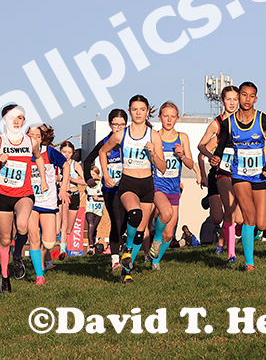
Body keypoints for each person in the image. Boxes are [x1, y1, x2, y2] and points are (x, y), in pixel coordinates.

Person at [0, 104, 47, 293]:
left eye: (20, 118)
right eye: (12, 117)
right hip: (2, 195)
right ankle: (5, 277)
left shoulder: (30, 142)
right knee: (5, 239)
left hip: (24, 193)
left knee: (23, 224)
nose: (16, 121)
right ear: (4, 121)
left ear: (24, 121)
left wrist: (43, 179)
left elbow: (39, 157)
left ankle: (17, 254)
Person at [213, 82, 266, 270]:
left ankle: (245, 241)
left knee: (262, 223)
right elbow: (220, 147)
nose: (247, 99)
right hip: (239, 175)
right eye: (244, 95)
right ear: (239, 97)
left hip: (260, 175)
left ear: (256, 99)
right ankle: (249, 263)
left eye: (251, 96)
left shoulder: (264, 120)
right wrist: (216, 157)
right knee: (248, 215)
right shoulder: (229, 123)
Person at [99, 95, 166, 283]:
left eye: (142, 109)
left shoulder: (154, 136)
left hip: (147, 185)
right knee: (134, 214)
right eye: (135, 109)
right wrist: (106, 174)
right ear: (130, 111)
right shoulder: (121, 135)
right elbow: (102, 152)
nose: (138, 113)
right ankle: (127, 251)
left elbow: (162, 167)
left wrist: (153, 153)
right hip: (128, 183)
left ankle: (126, 271)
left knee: (140, 232)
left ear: (147, 112)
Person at [198, 86, 242, 261]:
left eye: (235, 99)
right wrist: (209, 160)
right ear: (222, 101)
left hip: (236, 173)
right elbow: (201, 147)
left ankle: (228, 249)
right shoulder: (216, 124)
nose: (232, 103)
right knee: (217, 218)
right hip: (217, 173)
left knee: (235, 215)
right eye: (228, 99)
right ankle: (223, 240)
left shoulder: (243, 121)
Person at [149, 101, 194, 269]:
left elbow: (190, 164)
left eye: (172, 117)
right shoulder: (154, 136)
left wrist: (182, 155)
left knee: (170, 232)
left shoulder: (182, 137)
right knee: (162, 213)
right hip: (156, 184)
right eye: (165, 116)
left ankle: (155, 260)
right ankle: (155, 234)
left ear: (177, 118)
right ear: (159, 117)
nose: (169, 120)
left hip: (174, 187)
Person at [82, 109, 128, 271]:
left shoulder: (129, 140)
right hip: (110, 189)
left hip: (128, 187)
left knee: (125, 222)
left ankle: (122, 245)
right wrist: (88, 179)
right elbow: (87, 160)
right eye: (115, 124)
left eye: (122, 125)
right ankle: (115, 259)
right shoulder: (105, 142)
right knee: (116, 221)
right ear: (110, 124)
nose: (118, 128)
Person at [24, 124, 70, 285]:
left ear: (42, 138)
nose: (34, 138)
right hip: (28, 200)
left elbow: (65, 165)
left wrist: (63, 187)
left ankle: (41, 261)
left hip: (48, 200)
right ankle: (39, 275)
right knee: (33, 236)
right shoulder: (23, 153)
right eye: (30, 135)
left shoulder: (49, 152)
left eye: (37, 135)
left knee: (49, 241)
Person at [58, 140, 85, 259]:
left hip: (74, 194)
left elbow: (85, 181)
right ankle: (62, 250)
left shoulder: (75, 165)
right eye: (64, 152)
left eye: (69, 152)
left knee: (69, 227)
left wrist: (71, 179)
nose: (66, 154)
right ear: (60, 152)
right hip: (63, 194)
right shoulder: (57, 164)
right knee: (64, 222)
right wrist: (60, 178)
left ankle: (62, 237)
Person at [84, 167, 105, 255]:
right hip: (89, 208)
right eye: (90, 175)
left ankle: (94, 245)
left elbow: (106, 198)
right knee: (90, 225)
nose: (92, 177)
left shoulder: (101, 185)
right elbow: (85, 192)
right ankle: (91, 248)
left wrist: (99, 199)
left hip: (98, 209)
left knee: (94, 228)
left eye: (93, 174)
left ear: (97, 175)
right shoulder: (87, 184)